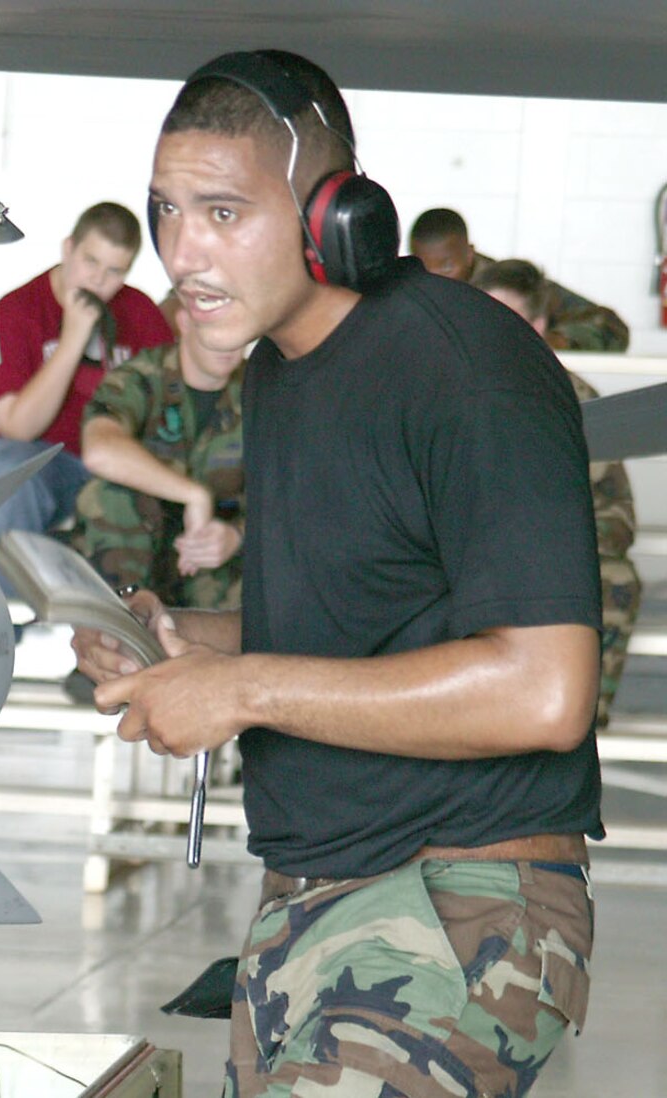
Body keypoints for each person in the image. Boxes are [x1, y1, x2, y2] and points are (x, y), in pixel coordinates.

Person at [76, 50, 601, 1095]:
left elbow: (543, 690)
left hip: (461, 901)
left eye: (223, 213)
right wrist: (179, 643)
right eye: (166, 210)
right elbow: (356, 620)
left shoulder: (466, 373)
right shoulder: (282, 368)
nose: (181, 253)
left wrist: (241, 690)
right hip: (314, 896)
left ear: (333, 218)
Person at [473, 257, 646, 733]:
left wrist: (552, 550)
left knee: (616, 578)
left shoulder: (574, 401)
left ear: (538, 327)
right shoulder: (435, 393)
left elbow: (616, 516)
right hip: (466, 559)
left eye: (505, 320)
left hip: (549, 560)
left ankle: (580, 720)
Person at [0, 202, 174, 589]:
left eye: (115, 271)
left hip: (111, 463)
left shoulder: (140, 313)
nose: (98, 280)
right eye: (90, 261)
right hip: (35, 461)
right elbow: (16, 428)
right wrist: (73, 340)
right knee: (8, 474)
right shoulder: (16, 313)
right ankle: (1, 606)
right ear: (68, 248)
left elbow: (168, 412)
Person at [70, 334, 248, 611]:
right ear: (185, 320)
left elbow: (297, 493)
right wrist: (195, 495)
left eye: (233, 327)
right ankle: (125, 616)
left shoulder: (264, 387)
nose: (225, 340)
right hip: (135, 545)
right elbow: (100, 451)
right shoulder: (142, 376)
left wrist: (238, 535)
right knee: (109, 495)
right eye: (211, 321)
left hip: (212, 550)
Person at [408, 206, 630, 350]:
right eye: (422, 266)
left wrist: (554, 341)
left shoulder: (508, 285)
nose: (434, 277)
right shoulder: (408, 287)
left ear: (469, 254)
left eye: (447, 266)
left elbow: (612, 328)